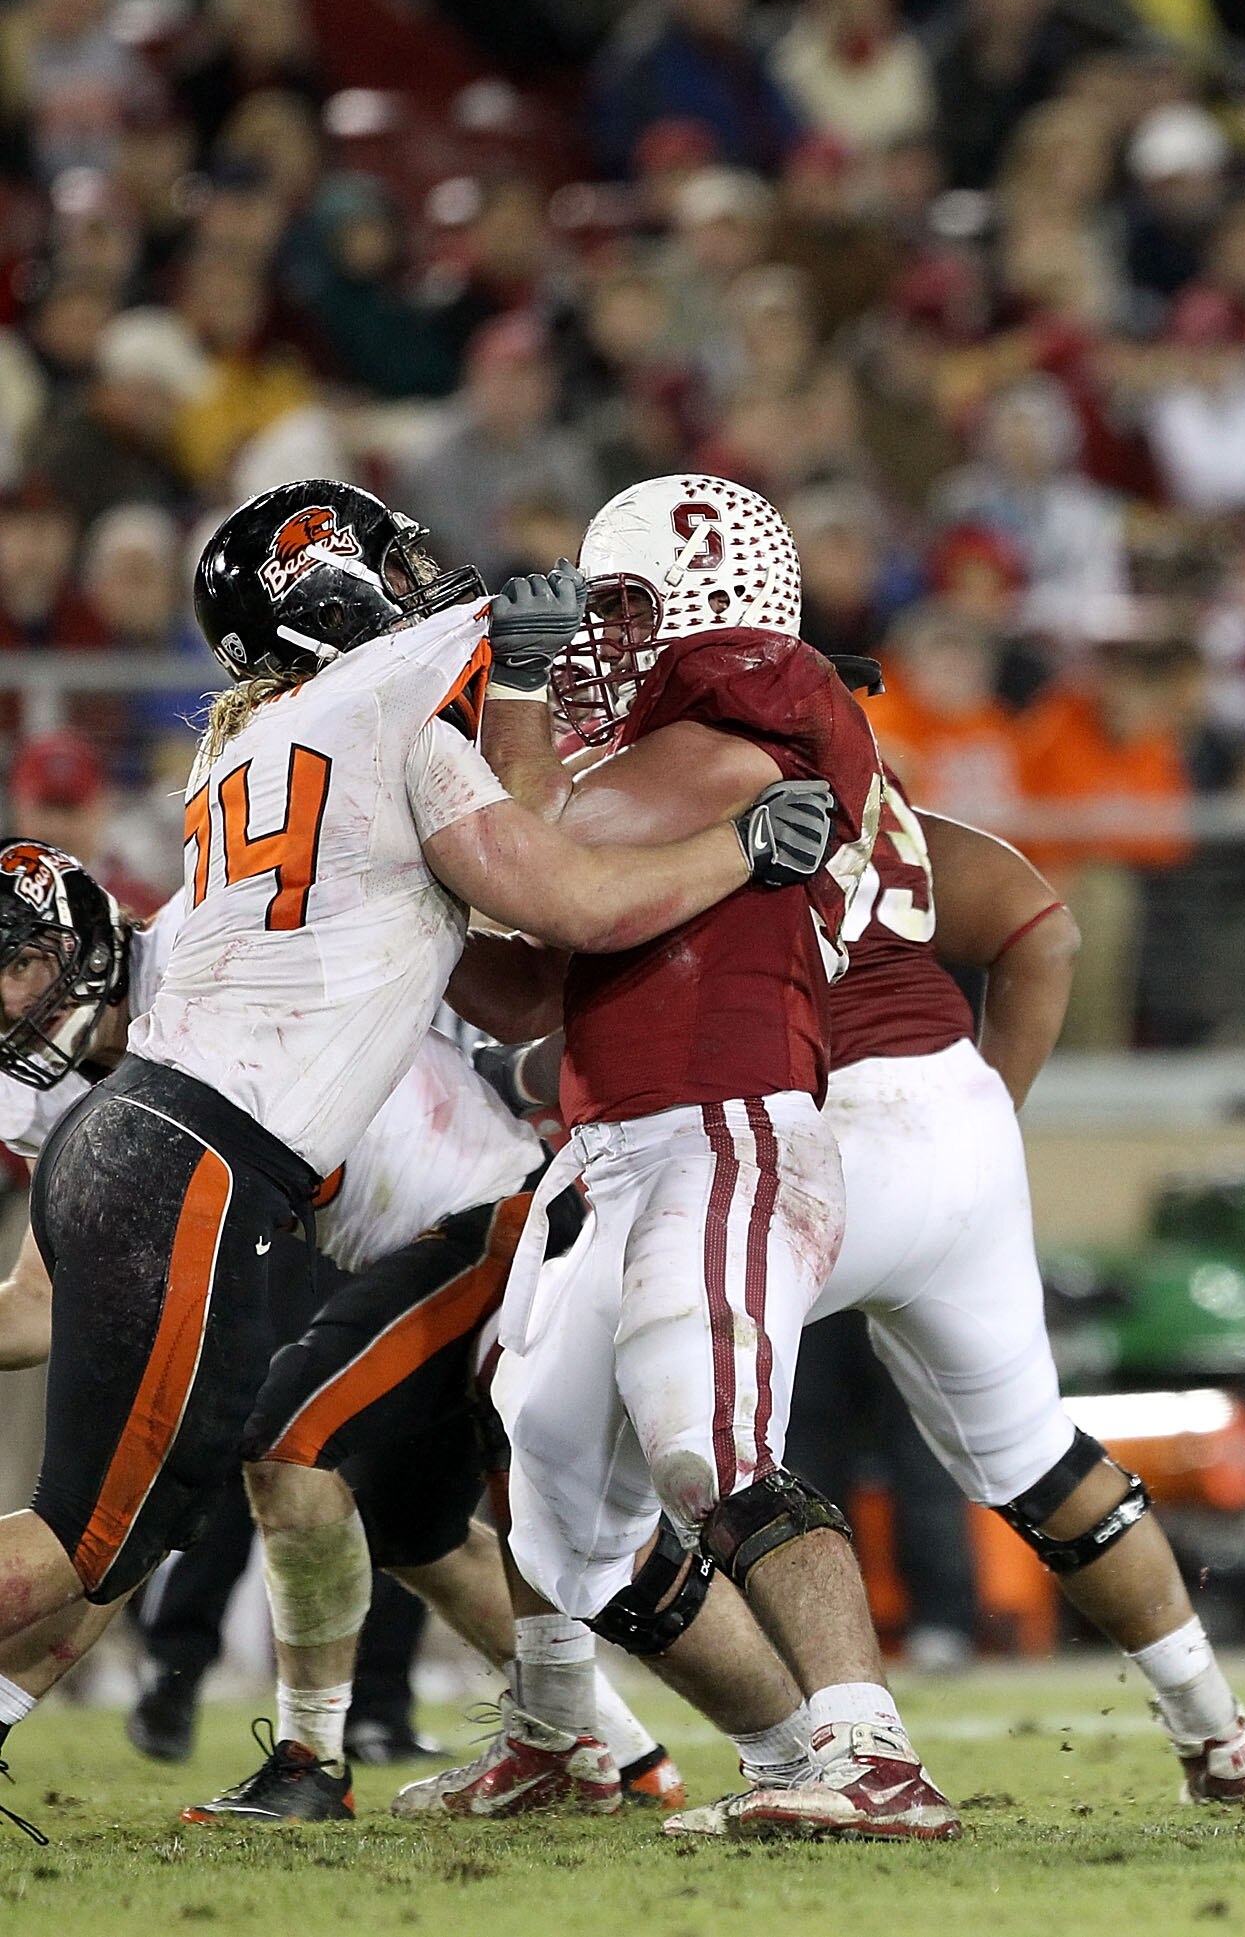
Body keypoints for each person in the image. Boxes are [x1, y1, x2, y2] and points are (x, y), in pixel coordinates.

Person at [0, 479, 827, 1806]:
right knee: (145, 1517)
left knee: (452, 1511)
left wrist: (517, 697)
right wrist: (741, 833)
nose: (425, 581)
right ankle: (565, 1747)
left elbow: (506, 896)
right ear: (338, 591)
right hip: (229, 1156)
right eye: (394, 563)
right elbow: (569, 892)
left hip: (223, 1150)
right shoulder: (392, 691)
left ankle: (581, 1748)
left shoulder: (254, 741)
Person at [468, 790, 1245, 1824]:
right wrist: (992, 1120)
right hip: (951, 1118)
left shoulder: (671, 794)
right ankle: (1220, 1732)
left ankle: (765, 1748)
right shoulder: (864, 801)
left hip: (794, 1136)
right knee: (1033, 1451)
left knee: (574, 1430)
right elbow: (1044, 927)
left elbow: (557, 1002)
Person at [473, 473, 947, 1842]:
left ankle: (875, 1754)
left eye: (624, 609)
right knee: (562, 1514)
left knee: (708, 1439)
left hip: (721, 1122)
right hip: (610, 1142)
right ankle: (786, 1746)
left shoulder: (745, 716)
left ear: (709, 608)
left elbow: (534, 849)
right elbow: (514, 976)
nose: (600, 642)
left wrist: (506, 709)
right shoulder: (654, 763)